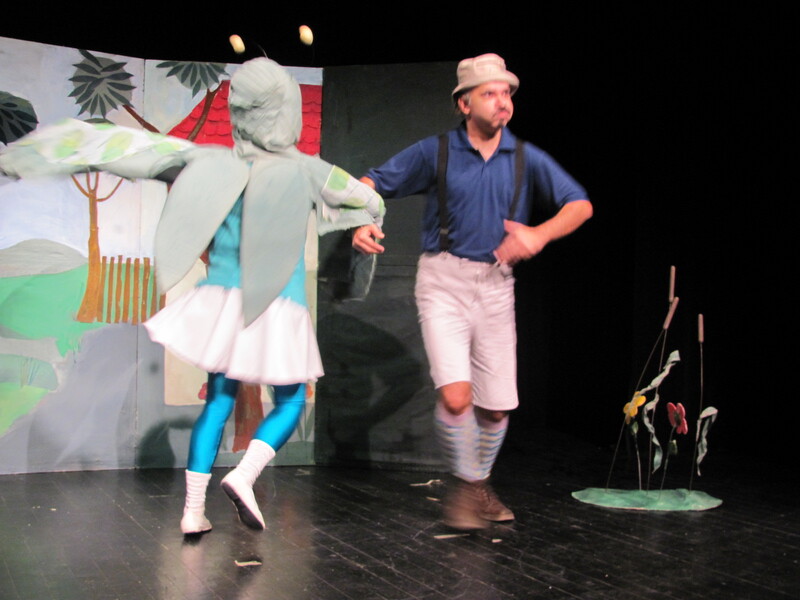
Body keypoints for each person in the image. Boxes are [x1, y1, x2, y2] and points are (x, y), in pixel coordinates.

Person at [0, 57, 385, 535]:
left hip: (221, 304)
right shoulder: (310, 170)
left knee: (218, 402)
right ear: (287, 110)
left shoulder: (207, 160)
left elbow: (127, 150)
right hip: (275, 305)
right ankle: (244, 476)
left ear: (240, 110)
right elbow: (366, 198)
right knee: (289, 401)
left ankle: (193, 511)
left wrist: (35, 154)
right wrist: (367, 225)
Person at [352, 53, 592, 530]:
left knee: (497, 407)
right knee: (458, 398)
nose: (502, 101)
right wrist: (362, 220)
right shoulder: (437, 151)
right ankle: (469, 487)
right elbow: (369, 183)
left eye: (507, 93)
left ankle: (476, 483)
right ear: (464, 104)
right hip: (444, 281)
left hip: (496, 286)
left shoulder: (524, 157)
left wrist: (538, 234)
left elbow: (580, 204)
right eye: (489, 93)